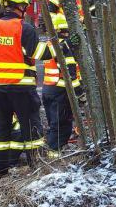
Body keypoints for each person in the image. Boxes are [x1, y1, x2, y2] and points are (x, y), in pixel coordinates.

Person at [0, 0, 44, 175]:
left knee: (0, 128)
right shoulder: (24, 28)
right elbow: (38, 52)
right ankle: (37, 167)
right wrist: (60, 48)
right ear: (20, 6)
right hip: (21, 89)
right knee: (31, 128)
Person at [32, 14, 83, 158]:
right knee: (62, 124)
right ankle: (54, 155)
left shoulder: (51, 45)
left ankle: (52, 151)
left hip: (48, 90)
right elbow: (70, 73)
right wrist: (79, 93)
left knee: (54, 124)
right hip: (61, 92)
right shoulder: (65, 48)